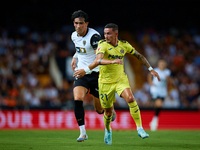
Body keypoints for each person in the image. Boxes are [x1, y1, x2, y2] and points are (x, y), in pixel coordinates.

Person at [74, 23, 161, 145]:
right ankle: (108, 130)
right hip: (104, 83)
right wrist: (112, 61)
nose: (106, 36)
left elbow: (139, 55)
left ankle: (140, 128)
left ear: (116, 34)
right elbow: (98, 60)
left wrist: (150, 68)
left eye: (108, 33)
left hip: (120, 79)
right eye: (104, 33)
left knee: (130, 98)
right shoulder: (102, 44)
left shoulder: (124, 45)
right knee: (108, 112)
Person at [70, 10, 116, 142]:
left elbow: (99, 59)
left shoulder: (94, 37)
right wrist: (75, 57)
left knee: (99, 110)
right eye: (76, 23)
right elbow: (79, 49)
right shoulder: (74, 35)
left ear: (86, 24)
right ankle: (83, 132)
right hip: (82, 74)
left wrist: (85, 70)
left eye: (81, 23)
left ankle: (111, 108)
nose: (78, 26)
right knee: (77, 98)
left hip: (96, 74)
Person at [147, 59, 171, 131]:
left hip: (163, 90)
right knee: (159, 104)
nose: (162, 65)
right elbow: (149, 75)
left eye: (163, 64)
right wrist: (150, 82)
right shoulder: (155, 70)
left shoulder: (167, 72)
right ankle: (154, 121)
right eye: (161, 64)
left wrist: (168, 79)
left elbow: (170, 81)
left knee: (159, 106)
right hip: (155, 89)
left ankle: (154, 120)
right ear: (158, 64)